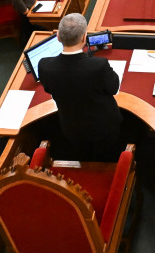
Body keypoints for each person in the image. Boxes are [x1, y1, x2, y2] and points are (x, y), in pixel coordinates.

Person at [37, 13, 123, 161]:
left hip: (71, 127)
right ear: (84, 38)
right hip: (104, 127)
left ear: (58, 37)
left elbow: (48, 88)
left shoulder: (44, 65)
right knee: (108, 155)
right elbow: (114, 88)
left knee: (83, 154)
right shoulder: (99, 65)